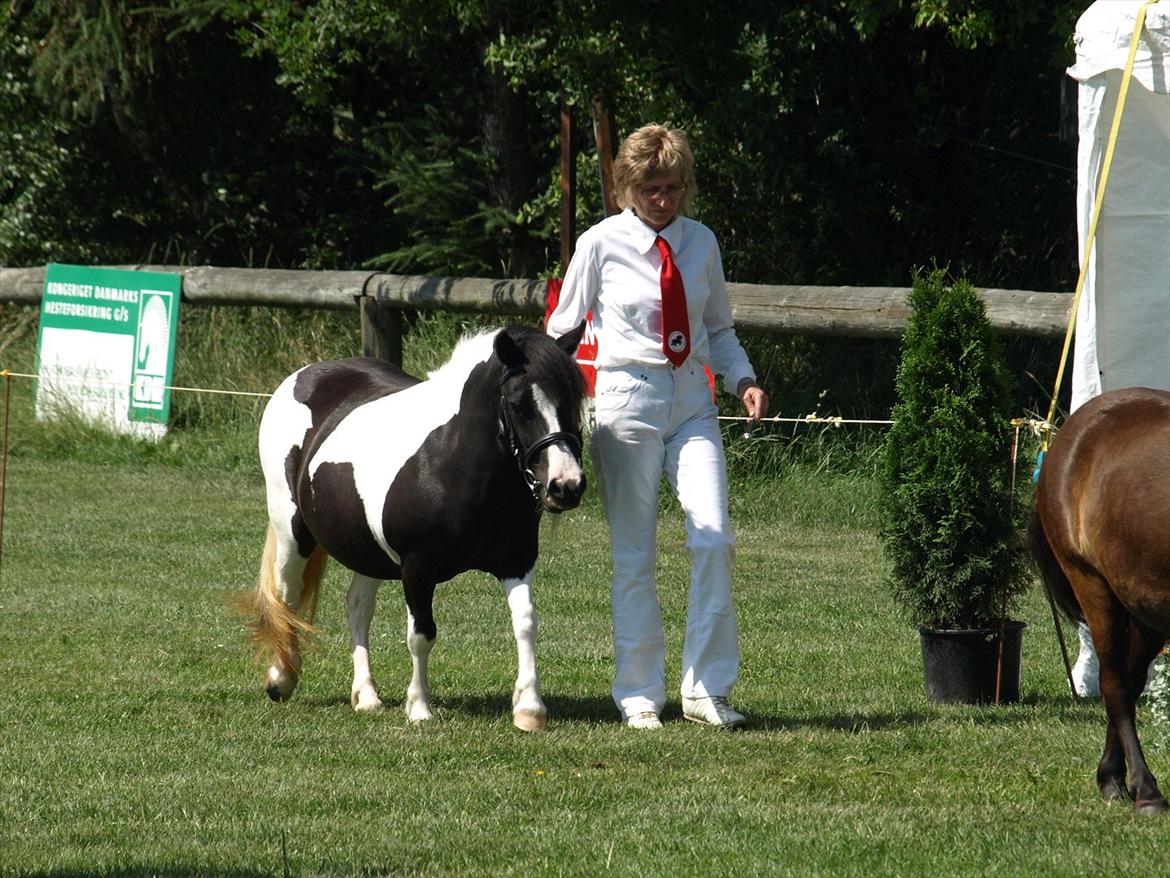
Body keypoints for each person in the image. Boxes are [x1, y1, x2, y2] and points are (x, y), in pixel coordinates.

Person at [546, 123, 769, 729]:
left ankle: (706, 691)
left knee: (715, 537)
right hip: (624, 404)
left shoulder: (702, 243)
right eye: (650, 189)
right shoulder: (598, 244)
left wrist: (743, 379)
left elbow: (718, 328)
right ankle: (640, 694)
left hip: (694, 401)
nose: (663, 200)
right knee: (634, 556)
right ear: (626, 188)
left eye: (672, 188)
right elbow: (560, 333)